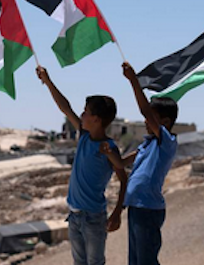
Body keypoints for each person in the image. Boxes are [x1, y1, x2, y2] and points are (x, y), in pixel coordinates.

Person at [36, 66, 127, 265]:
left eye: (86, 112)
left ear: (96, 119)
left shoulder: (109, 148)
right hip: (74, 215)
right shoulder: (84, 137)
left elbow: (124, 179)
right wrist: (48, 81)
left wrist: (118, 212)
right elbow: (64, 107)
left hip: (93, 218)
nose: (81, 115)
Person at [101, 62, 179, 265]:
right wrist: (108, 153)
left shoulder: (166, 143)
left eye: (153, 117)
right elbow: (121, 162)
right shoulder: (147, 145)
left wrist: (134, 81)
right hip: (135, 207)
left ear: (165, 122)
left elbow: (145, 111)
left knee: (146, 260)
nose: (146, 121)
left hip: (149, 209)